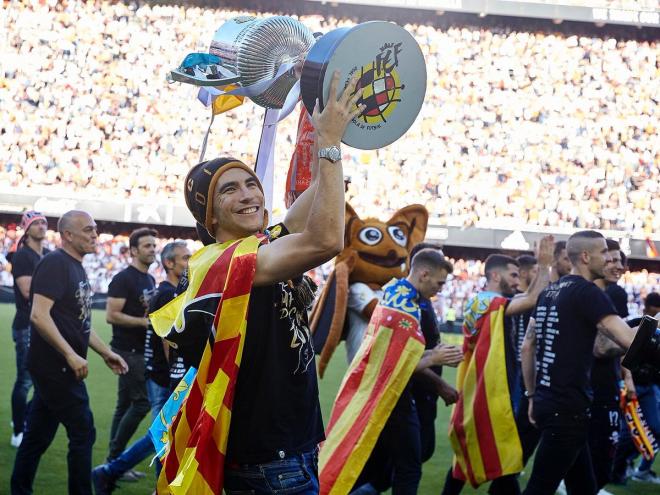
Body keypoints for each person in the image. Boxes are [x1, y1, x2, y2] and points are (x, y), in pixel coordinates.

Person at [154, 71, 365, 494]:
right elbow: (324, 240)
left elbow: (308, 205)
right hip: (270, 464)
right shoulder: (223, 262)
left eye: (251, 182)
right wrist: (328, 145)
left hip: (291, 451)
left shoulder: (259, 247)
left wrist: (326, 116)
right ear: (210, 217)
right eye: (229, 190)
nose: (249, 193)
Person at [321, 249, 464, 495]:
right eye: (439, 283)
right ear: (424, 273)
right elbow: (392, 366)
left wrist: (431, 356)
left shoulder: (393, 293)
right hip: (392, 397)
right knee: (408, 468)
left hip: (378, 394)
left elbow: (392, 357)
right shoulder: (405, 308)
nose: (441, 289)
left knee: (369, 460)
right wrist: (434, 357)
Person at [10, 210, 128, 495]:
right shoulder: (55, 263)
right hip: (55, 367)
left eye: (95, 229)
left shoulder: (77, 266)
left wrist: (105, 353)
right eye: (88, 230)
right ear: (68, 235)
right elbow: (39, 316)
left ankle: (19, 488)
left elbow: (81, 323)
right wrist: (69, 354)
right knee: (83, 431)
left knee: (37, 436)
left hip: (59, 366)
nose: (95, 235)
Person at [520, 230, 637, 495]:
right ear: (586, 257)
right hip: (568, 407)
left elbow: (527, 347)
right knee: (539, 487)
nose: (609, 260)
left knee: (584, 487)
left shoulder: (548, 292)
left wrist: (531, 395)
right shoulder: (588, 293)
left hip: (550, 402)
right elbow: (629, 341)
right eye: (604, 253)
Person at [445, 237, 553, 495]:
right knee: (504, 451)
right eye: (513, 275)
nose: (517, 281)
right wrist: (545, 263)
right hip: (489, 389)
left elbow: (529, 295)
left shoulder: (486, 301)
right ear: (495, 275)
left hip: (485, 386)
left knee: (477, 452)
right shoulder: (489, 303)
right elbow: (533, 297)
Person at [93, 241, 191, 494]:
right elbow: (168, 341)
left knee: (162, 432)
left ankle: (112, 471)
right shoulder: (168, 293)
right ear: (169, 263)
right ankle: (113, 471)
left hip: (161, 373)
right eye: (184, 258)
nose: (189, 263)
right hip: (165, 375)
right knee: (162, 434)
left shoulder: (166, 290)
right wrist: (174, 375)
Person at [105, 228, 157, 475]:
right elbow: (111, 315)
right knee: (141, 403)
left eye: (154, 246)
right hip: (127, 351)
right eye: (147, 246)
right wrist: (145, 323)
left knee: (124, 404)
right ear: (134, 250)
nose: (152, 250)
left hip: (140, 350)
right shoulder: (123, 278)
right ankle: (116, 463)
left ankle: (113, 462)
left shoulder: (150, 279)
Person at [583, 240, 629, 492]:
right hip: (599, 389)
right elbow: (601, 347)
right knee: (599, 465)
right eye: (611, 260)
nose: (618, 266)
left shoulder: (577, 290)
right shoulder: (613, 294)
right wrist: (645, 332)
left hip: (584, 388)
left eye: (620, 261)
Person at [409, 242, 459, 465]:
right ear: (423, 270)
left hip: (424, 391)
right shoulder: (406, 303)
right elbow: (402, 357)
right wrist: (440, 383)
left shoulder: (423, 301)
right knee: (410, 461)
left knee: (419, 453)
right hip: (413, 391)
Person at [9, 210, 49, 447]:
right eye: (36, 223)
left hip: (43, 324)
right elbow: (27, 291)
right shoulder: (23, 256)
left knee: (42, 380)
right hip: (26, 325)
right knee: (24, 381)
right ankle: (18, 427)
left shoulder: (48, 255)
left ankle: (24, 418)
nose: (42, 226)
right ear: (27, 229)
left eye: (44, 222)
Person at [613, 292, 660, 484]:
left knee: (656, 429)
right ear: (647, 307)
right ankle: (617, 469)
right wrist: (629, 381)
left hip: (649, 386)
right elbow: (623, 354)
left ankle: (633, 465)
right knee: (627, 433)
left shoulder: (656, 327)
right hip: (632, 386)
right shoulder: (635, 323)